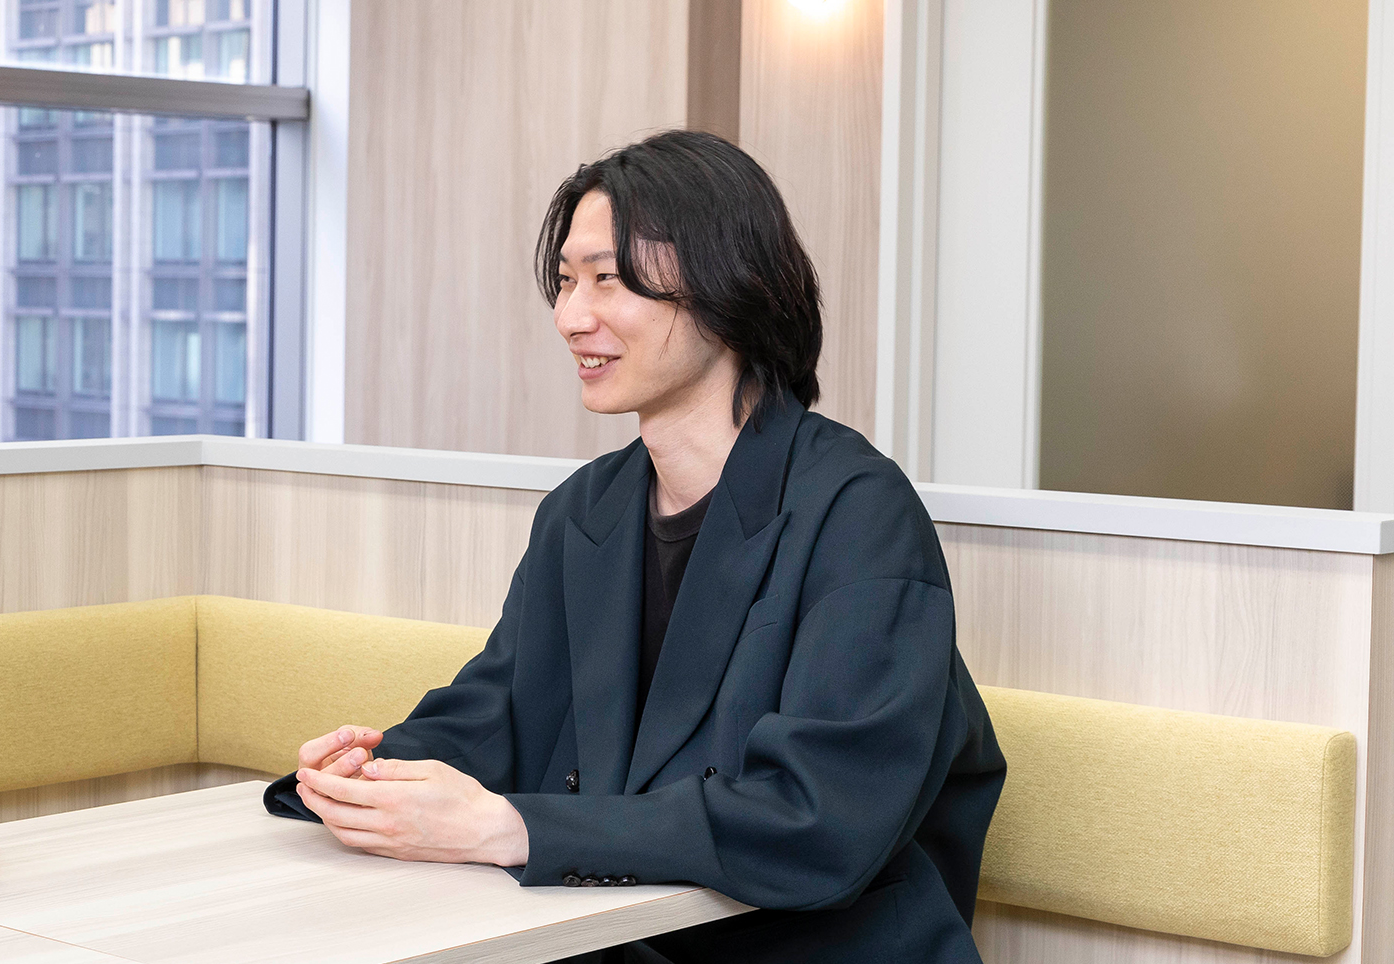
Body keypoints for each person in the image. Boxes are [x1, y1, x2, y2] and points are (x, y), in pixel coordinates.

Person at [266, 129, 1006, 963]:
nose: (569, 317)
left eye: (607, 280)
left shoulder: (858, 511)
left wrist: (509, 827)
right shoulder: (585, 509)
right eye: (564, 281)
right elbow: (498, 714)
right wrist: (364, 780)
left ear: (728, 287)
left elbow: (818, 820)